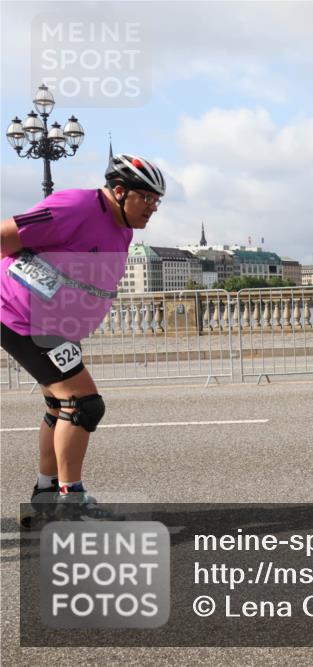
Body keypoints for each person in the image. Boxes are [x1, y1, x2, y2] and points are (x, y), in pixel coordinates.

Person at [1, 153, 166, 523]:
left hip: (54, 324)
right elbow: (3, 237)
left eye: (158, 200)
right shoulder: (74, 206)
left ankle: (46, 495)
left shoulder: (124, 228)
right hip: (23, 316)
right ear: (120, 191)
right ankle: (71, 505)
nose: (154, 208)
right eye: (148, 198)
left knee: (60, 407)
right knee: (84, 404)